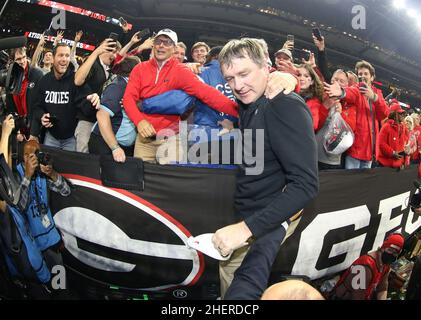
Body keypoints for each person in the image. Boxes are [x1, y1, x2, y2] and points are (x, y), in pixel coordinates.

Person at [212, 38, 319, 300]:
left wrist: (245, 229)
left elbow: (305, 185)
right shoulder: (249, 99)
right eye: (230, 78)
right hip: (249, 212)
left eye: (244, 73)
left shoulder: (286, 105)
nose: (237, 85)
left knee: (245, 278)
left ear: (265, 67)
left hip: (269, 217)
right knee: (228, 271)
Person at [123, 28, 238, 164]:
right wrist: (139, 121)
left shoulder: (181, 71)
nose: (161, 45)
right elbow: (128, 98)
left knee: (170, 181)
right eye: (159, 41)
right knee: (139, 180)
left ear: (173, 48)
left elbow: (208, 94)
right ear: (153, 45)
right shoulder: (139, 69)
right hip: (143, 140)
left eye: (167, 42)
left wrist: (239, 111)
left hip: (171, 139)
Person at [30, 44, 99, 151]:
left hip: (71, 139)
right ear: (53, 58)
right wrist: (42, 116)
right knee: (46, 167)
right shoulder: (44, 81)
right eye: (61, 55)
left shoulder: (76, 80)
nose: (64, 59)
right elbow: (37, 106)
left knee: (68, 168)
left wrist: (93, 99)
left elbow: (87, 110)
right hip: (51, 137)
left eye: (67, 56)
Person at [324, 60, 389, 169]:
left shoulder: (378, 93)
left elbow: (384, 114)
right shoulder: (356, 89)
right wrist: (341, 92)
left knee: (363, 185)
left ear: (372, 77)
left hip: (370, 153)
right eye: (360, 74)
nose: (362, 76)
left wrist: (374, 97)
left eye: (365, 74)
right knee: (351, 184)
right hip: (355, 151)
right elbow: (349, 93)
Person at [89, 56, 141, 162]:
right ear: (134, 71)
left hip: (120, 147)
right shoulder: (119, 87)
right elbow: (102, 115)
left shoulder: (130, 86)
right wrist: (115, 147)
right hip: (106, 145)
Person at [74, 37, 120, 153]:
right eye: (113, 52)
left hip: (98, 121)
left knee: (94, 157)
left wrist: (133, 43)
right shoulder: (92, 64)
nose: (115, 56)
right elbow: (78, 80)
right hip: (86, 120)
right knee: (83, 156)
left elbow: (122, 55)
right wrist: (96, 51)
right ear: (104, 49)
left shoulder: (108, 69)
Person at [328, 233, 404, 300]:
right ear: (383, 248)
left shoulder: (385, 265)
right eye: (390, 250)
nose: (392, 254)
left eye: (395, 253)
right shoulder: (365, 266)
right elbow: (357, 295)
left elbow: (383, 288)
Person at [376, 103, 409, 169]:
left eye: (402, 113)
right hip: (385, 164)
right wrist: (392, 153)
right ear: (394, 115)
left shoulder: (403, 127)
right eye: (400, 113)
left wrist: (404, 161)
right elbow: (381, 144)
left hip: (397, 165)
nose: (402, 115)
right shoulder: (386, 126)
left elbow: (402, 145)